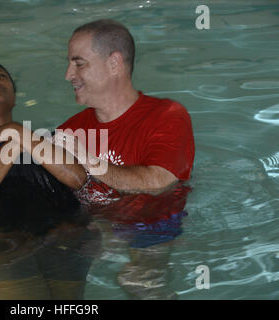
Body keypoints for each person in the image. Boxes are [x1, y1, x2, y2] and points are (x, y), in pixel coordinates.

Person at [53, 19, 195, 299]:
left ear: (114, 63)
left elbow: (159, 182)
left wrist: (89, 160)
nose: (68, 74)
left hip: (151, 227)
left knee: (138, 281)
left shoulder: (166, 115)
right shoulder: (70, 129)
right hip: (92, 226)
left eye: (79, 63)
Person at [0, 61, 100, 300]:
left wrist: (20, 133)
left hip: (66, 241)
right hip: (1, 247)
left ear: (13, 98)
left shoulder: (47, 140)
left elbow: (77, 178)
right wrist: (13, 141)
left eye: (0, 76)